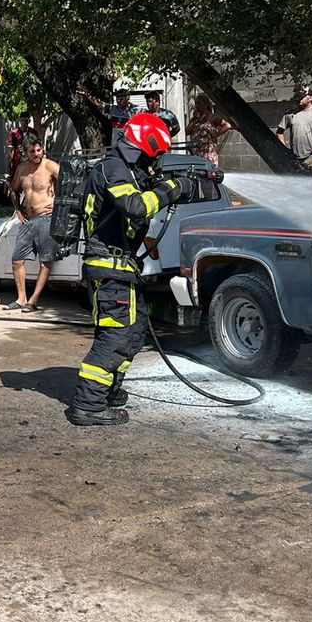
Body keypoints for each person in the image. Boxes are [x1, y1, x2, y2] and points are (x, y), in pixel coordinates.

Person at [69, 113, 200, 426]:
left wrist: (168, 184)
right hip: (108, 269)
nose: (151, 163)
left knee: (135, 330)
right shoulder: (112, 168)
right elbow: (136, 207)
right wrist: (172, 190)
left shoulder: (125, 171)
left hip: (122, 270)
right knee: (115, 337)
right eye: (150, 156)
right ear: (140, 147)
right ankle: (87, 404)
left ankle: (109, 391)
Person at [6, 134, 59, 312]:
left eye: (38, 150)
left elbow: (71, 182)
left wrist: (58, 205)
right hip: (28, 220)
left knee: (45, 261)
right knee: (17, 259)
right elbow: (13, 189)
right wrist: (18, 209)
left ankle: (33, 300)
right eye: (32, 151)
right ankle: (21, 298)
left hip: (47, 218)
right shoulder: (22, 169)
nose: (36, 154)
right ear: (25, 152)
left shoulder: (50, 165)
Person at [187, 93, 233, 166]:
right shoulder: (195, 119)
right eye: (196, 103)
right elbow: (187, 132)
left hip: (208, 153)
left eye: (199, 103)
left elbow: (227, 125)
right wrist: (195, 120)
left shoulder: (212, 118)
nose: (196, 106)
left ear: (205, 104)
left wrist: (216, 135)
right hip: (196, 154)